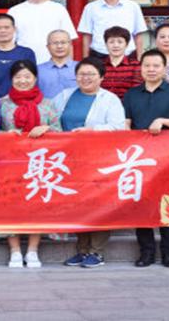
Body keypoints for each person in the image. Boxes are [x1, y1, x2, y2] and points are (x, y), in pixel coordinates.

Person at [53, 57, 126, 269]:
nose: (85, 78)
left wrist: (92, 131)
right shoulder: (65, 95)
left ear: (101, 77)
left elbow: (118, 127)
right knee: (78, 203)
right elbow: (51, 119)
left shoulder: (110, 99)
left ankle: (97, 251)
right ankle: (82, 249)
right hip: (70, 159)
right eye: (81, 74)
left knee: (98, 203)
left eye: (91, 74)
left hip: (99, 158)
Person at [122, 49, 169, 268]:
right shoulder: (131, 94)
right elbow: (126, 123)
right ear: (141, 69)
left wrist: (163, 121)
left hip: (168, 158)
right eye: (147, 66)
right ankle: (146, 253)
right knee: (142, 205)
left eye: (156, 66)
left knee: (168, 204)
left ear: (164, 68)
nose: (151, 70)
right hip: (140, 158)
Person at [0, 60, 62, 269]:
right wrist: (6, 133)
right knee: (9, 205)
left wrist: (46, 129)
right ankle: (15, 250)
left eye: (27, 77)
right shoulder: (2, 103)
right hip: (10, 162)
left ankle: (33, 250)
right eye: (18, 77)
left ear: (35, 78)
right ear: (11, 79)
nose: (23, 81)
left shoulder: (47, 104)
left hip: (39, 163)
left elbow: (60, 132)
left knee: (37, 204)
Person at [8, 0, 77, 63]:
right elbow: (9, 43)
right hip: (24, 65)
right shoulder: (14, 11)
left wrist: (69, 68)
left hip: (53, 64)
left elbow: (68, 42)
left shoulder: (58, 9)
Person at [77, 0, 147, 58]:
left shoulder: (133, 6)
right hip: (99, 56)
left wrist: (140, 59)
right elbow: (87, 36)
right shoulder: (91, 8)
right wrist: (86, 60)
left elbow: (138, 35)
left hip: (128, 56)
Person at [0, 13, 35, 98]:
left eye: (7, 27)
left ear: (14, 29)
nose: (3, 31)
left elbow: (32, 82)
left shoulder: (26, 53)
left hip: (20, 102)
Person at [100, 26, 142, 99]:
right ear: (106, 44)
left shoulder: (136, 65)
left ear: (126, 44)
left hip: (127, 104)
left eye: (120, 42)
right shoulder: (99, 65)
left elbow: (136, 91)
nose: (116, 45)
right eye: (111, 42)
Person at [37, 30, 78, 99]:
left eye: (63, 42)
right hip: (46, 106)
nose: (59, 46)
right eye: (55, 43)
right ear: (48, 47)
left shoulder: (80, 68)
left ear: (70, 45)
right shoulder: (38, 70)